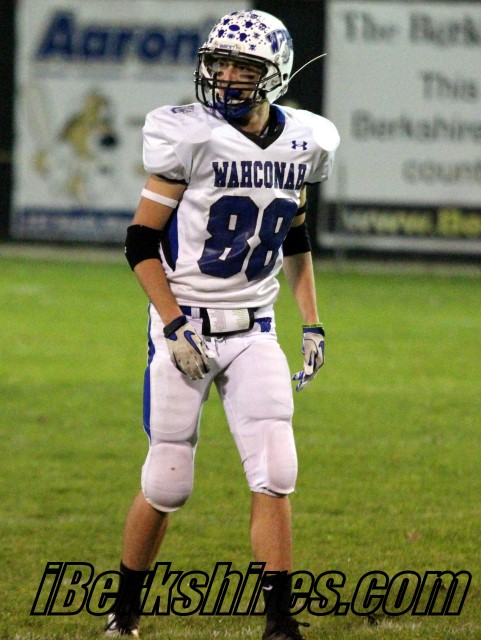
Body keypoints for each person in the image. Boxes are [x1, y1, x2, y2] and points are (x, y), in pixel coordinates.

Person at [105, 9, 339, 640]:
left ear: (276, 74)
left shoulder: (304, 141)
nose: (228, 76)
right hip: (186, 324)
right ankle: (123, 611)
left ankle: (280, 622)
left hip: (255, 329)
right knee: (168, 482)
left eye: (243, 66)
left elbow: (294, 232)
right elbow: (139, 242)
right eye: (220, 63)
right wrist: (173, 323)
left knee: (276, 471)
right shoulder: (188, 135)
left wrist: (311, 322)